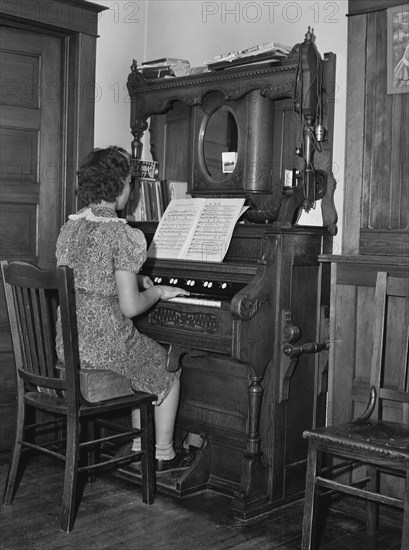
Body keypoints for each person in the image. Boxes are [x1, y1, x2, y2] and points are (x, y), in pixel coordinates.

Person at [55, 145, 192, 472]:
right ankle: (162, 454)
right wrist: (156, 290)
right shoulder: (122, 234)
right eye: (130, 182)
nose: (131, 190)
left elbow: (91, 277)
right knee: (167, 368)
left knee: (143, 358)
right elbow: (130, 308)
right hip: (107, 348)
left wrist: (136, 279)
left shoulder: (70, 227)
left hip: (70, 347)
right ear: (117, 186)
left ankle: (135, 445)